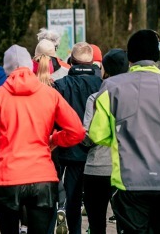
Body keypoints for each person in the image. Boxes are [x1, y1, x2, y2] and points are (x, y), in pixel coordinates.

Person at [89, 29, 160, 233]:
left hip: (129, 179)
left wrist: (121, 139)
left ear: (130, 57)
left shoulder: (110, 87)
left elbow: (97, 134)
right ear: (156, 55)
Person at [0, 45, 85, 234]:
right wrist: (54, 139)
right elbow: (77, 131)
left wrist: (4, 155)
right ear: (31, 66)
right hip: (42, 177)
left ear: (6, 68)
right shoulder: (50, 94)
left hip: (8, 176)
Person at [51, 42, 103, 234]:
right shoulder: (104, 85)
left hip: (70, 152)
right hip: (98, 153)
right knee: (96, 203)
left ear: (71, 61)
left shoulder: (61, 85)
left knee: (72, 200)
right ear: (93, 63)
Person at [81, 49, 127, 234]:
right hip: (126, 170)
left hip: (96, 168)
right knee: (125, 222)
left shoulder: (95, 98)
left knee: (97, 222)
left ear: (104, 70)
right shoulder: (134, 99)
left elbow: (88, 138)